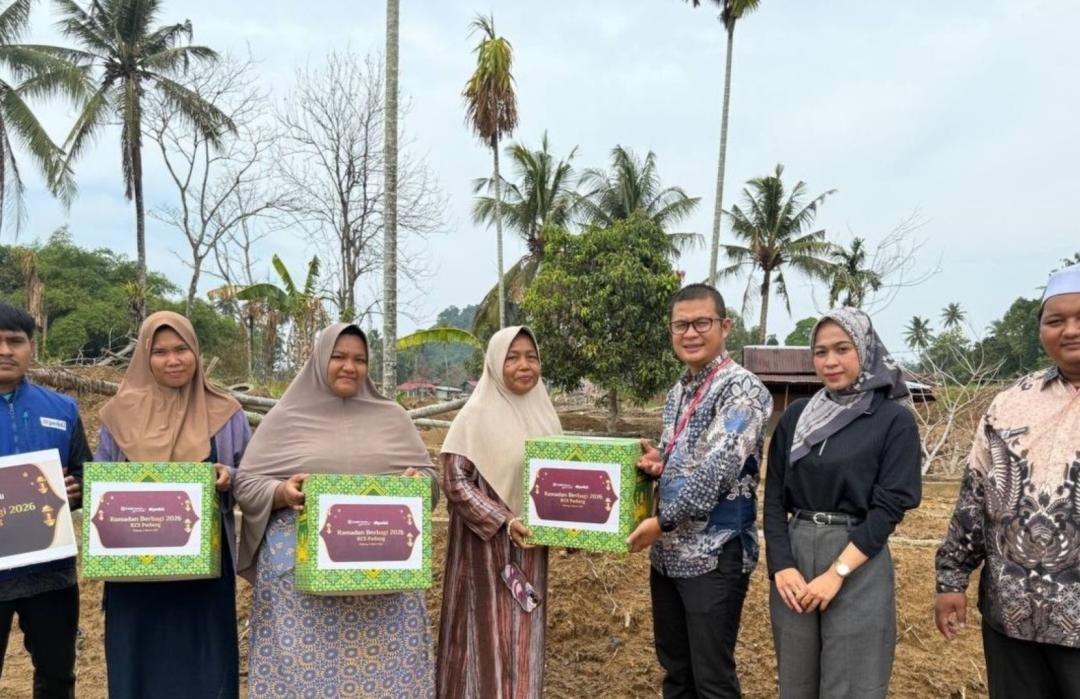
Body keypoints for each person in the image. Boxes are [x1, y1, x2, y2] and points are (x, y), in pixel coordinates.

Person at [234, 323, 438, 698]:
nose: (350, 367)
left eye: (359, 359)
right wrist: (282, 491)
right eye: (339, 357)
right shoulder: (286, 416)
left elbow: (429, 479)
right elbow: (245, 484)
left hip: (383, 579)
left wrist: (418, 485)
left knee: (383, 678)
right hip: (300, 585)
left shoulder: (392, 416)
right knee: (304, 678)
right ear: (319, 360)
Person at [936, 262, 1080, 698]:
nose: (1070, 330)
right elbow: (974, 500)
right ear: (1041, 330)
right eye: (1056, 320)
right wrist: (951, 579)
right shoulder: (1010, 404)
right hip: (1011, 619)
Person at [763, 307, 921, 699]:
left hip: (858, 560)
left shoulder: (891, 420)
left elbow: (889, 508)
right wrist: (781, 566)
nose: (830, 362)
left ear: (865, 351)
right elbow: (772, 498)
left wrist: (837, 573)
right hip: (796, 560)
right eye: (820, 352)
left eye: (842, 349)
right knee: (795, 682)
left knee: (852, 683)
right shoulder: (798, 416)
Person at [94, 311, 250, 699]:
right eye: (160, 352)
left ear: (195, 352)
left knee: (205, 666)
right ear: (145, 358)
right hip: (133, 574)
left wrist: (231, 477)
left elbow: (253, 478)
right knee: (138, 664)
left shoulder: (227, 413)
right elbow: (102, 481)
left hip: (206, 576)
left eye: (181, 349)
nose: (173, 360)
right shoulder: (117, 417)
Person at [628, 283, 772, 699]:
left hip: (714, 555)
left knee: (712, 680)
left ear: (724, 326)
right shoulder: (678, 392)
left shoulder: (743, 390)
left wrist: (664, 520)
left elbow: (719, 468)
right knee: (676, 673)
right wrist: (661, 464)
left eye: (701, 323)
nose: (690, 333)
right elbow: (690, 458)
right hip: (669, 557)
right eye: (681, 325)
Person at [436, 326, 562, 699]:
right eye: (512, 357)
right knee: (480, 640)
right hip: (483, 554)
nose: (524, 365)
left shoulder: (546, 415)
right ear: (495, 363)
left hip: (531, 551)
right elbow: (455, 481)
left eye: (531, 356)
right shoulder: (475, 416)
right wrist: (503, 519)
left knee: (525, 636)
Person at [0, 301, 88, 699]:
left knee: (56, 676)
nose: (5, 351)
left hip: (50, 571)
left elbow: (85, 474)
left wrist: (74, 492)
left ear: (32, 346)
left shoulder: (63, 409)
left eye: (15, 341)